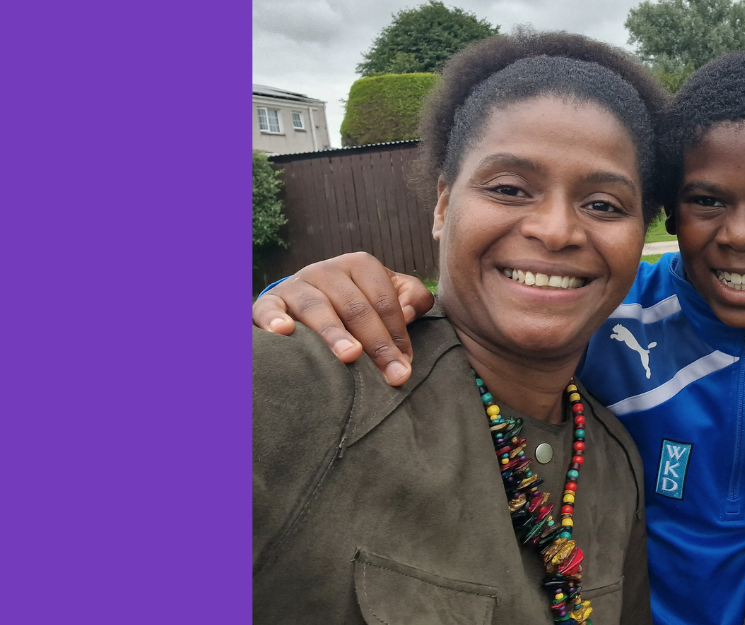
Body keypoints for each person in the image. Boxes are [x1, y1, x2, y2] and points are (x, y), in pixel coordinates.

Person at [254, 51, 745, 625]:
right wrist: (292, 298)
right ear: (671, 212)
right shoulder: (606, 313)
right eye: (708, 201)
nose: (741, 235)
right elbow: (474, 314)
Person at [252, 32, 668, 624]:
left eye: (603, 204)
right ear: (443, 205)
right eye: (508, 189)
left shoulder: (613, 464)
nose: (556, 230)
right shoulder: (310, 381)